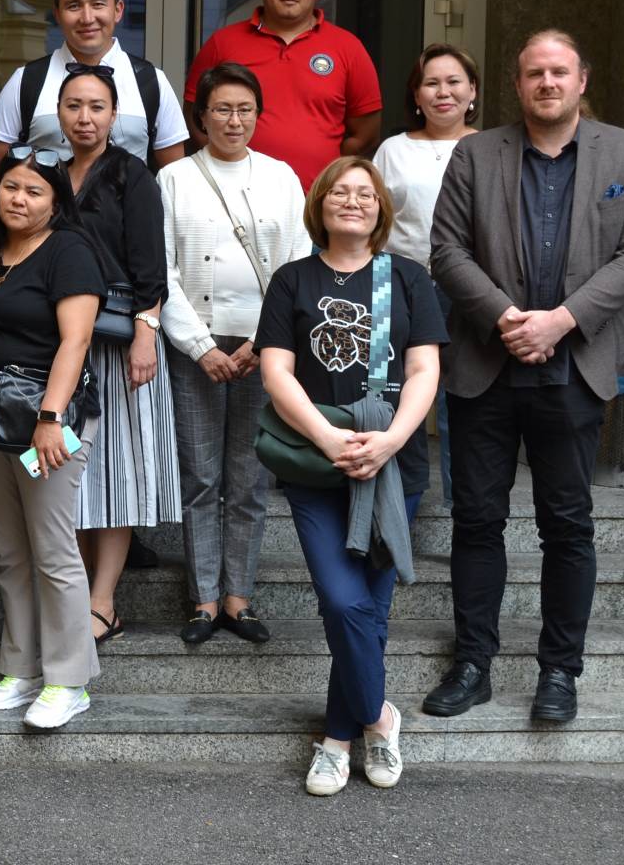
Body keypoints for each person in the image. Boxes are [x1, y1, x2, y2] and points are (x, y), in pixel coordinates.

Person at [423, 30, 624, 724]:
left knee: (566, 526)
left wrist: (559, 321)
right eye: (534, 73)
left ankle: (559, 672)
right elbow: (446, 249)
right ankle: (472, 663)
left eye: (558, 71)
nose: (547, 83)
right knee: (476, 522)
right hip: (484, 366)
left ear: (581, 79)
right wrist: (505, 317)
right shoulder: (475, 153)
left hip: (574, 368)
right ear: (517, 83)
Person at [256, 156, 446, 796]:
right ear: (320, 203)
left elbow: (423, 371)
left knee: (370, 609)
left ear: (381, 208)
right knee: (345, 602)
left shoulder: (411, 280)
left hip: (395, 469)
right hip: (317, 465)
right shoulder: (292, 281)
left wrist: (390, 441)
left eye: (365, 192)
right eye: (340, 191)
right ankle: (380, 716)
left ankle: (338, 741)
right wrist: (329, 437)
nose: (353, 201)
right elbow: (277, 372)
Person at [157, 62, 310, 645]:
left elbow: (296, 265)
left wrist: (261, 343)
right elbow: (161, 269)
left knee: (247, 478)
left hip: (262, 347)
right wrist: (199, 346)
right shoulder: (173, 179)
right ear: (200, 118)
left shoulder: (281, 177)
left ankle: (239, 598)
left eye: (245, 109)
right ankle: (202, 599)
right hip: (195, 346)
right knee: (199, 475)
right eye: (222, 108)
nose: (234, 119)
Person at [0, 147, 106, 730]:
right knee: (10, 550)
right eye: (11, 187)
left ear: (56, 202)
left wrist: (51, 417)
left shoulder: (70, 251)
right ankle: (21, 669)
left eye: (34, 191)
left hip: (48, 424)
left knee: (53, 551)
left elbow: (75, 342)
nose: (18, 199)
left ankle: (69, 680)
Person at [53, 65, 180, 645]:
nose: (85, 117)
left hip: (122, 346)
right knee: (71, 476)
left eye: (96, 107)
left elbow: (151, 265)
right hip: (61, 348)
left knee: (119, 475)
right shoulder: (47, 175)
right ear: (60, 113)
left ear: (114, 115)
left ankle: (103, 600)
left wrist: (146, 334)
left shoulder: (134, 176)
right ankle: (72, 590)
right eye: (74, 106)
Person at [184, 0, 382, 191]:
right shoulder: (223, 43)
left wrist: (325, 167)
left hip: (317, 203)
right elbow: (193, 116)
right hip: (234, 198)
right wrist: (223, 167)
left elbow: (365, 134)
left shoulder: (348, 48)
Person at [373, 43, 481, 509]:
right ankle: (403, 508)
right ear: (415, 95)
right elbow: (371, 220)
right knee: (395, 400)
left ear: (472, 91)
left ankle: (467, 514)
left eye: (454, 81)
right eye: (431, 83)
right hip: (397, 286)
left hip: (474, 290)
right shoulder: (392, 150)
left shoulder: (492, 147)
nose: (443, 92)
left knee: (464, 402)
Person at [0, 0, 188, 170]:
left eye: (98, 4)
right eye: (73, 6)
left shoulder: (150, 81)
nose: (87, 18)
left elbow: (173, 179)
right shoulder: (26, 80)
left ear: (118, 10)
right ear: (57, 14)